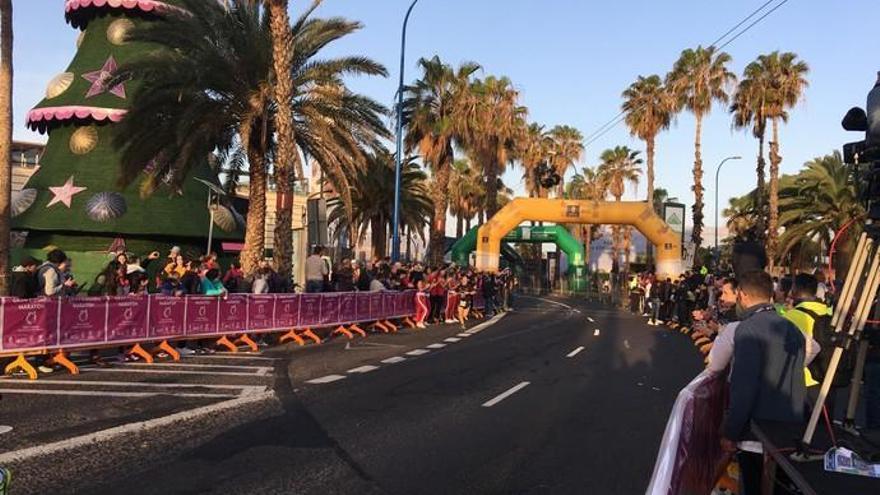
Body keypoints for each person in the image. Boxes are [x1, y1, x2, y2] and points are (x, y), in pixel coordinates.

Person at [721, 270, 807, 495]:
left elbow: (743, 388)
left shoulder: (747, 329)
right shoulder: (793, 328)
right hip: (789, 431)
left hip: (756, 433)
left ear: (742, 295)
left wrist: (731, 431)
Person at [785, 273, 832, 407]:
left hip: (804, 381)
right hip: (829, 377)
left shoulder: (791, 317)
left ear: (795, 289)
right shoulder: (829, 313)